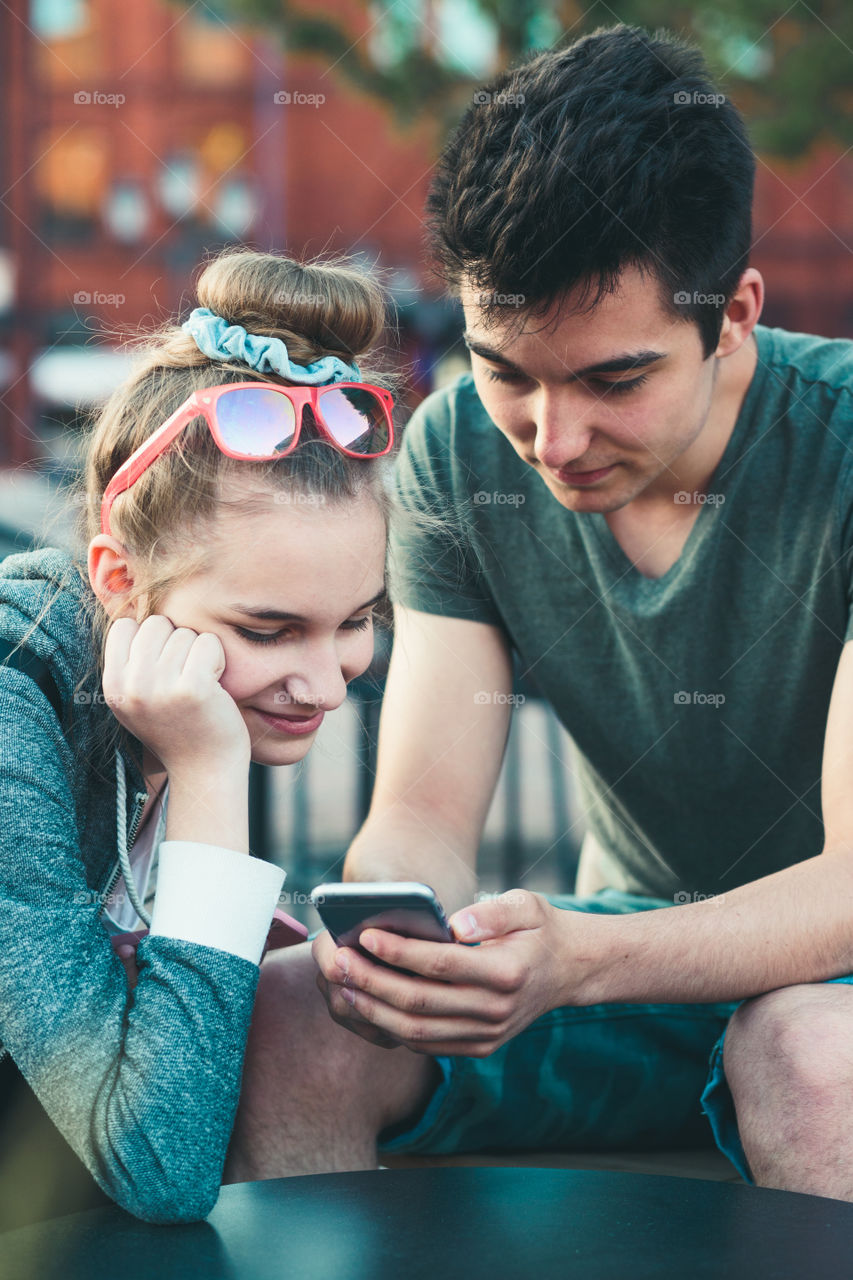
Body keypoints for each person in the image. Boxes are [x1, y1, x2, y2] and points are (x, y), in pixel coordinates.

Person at [227, 25, 853, 1204]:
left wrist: (580, 960)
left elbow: (847, 889)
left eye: (613, 379)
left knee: (804, 1054)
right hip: (623, 966)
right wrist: (399, 948)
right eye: (507, 367)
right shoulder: (458, 450)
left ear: (733, 317)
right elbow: (419, 813)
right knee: (299, 1007)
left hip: (816, 987)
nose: (551, 440)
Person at [0, 246, 397, 1227]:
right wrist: (212, 775)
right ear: (118, 578)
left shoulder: (159, 670)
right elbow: (162, 1163)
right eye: (268, 629)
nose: (322, 680)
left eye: (355, 618)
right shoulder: (21, 711)